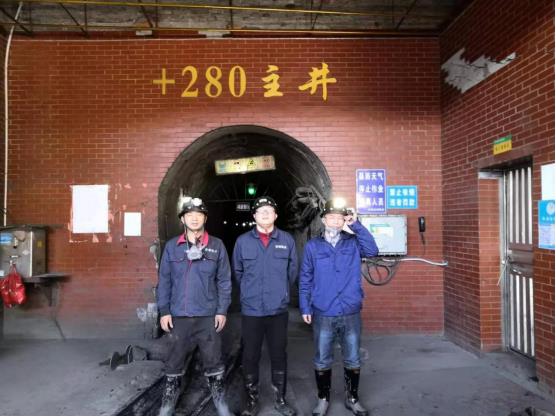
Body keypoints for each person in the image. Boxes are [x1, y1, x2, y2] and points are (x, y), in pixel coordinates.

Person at [299, 198, 378, 416]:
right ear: (323, 220)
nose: (335, 221)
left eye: (339, 218)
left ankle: (352, 399)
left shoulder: (353, 242)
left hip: (350, 309)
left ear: (344, 220)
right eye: (331, 217)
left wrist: (356, 225)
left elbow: (372, 250)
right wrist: (305, 307)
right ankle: (323, 399)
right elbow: (305, 278)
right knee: (322, 358)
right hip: (323, 311)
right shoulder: (313, 246)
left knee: (352, 357)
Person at [156, 196, 232, 416]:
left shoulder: (216, 246)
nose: (194, 218)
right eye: (189, 215)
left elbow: (224, 281)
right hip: (179, 315)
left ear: (205, 218)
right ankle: (167, 405)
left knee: (214, 360)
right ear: (183, 219)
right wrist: (164, 311)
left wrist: (222, 310)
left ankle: (221, 404)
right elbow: (165, 281)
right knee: (174, 361)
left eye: (199, 214)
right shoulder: (172, 247)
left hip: (208, 315)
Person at [232, 196, 298, 416]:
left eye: (270, 210)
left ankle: (280, 399)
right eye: (261, 211)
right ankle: (252, 401)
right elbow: (238, 272)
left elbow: (292, 272)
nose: (265, 214)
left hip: (278, 310)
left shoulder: (287, 240)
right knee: (250, 355)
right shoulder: (243, 241)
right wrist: (250, 292)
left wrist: (281, 291)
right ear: (254, 216)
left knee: (279, 354)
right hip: (252, 310)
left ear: (276, 215)